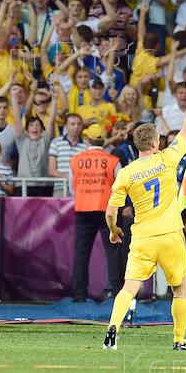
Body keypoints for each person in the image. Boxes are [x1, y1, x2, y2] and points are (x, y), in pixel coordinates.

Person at [102, 81, 186, 352]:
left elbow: (111, 211)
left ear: (136, 145)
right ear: (156, 143)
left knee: (129, 287)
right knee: (180, 289)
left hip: (143, 237)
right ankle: (179, 340)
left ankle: (112, 329)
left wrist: (113, 230)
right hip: (170, 234)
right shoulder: (168, 158)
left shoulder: (126, 172)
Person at [69, 126, 122, 302]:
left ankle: (79, 295)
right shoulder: (113, 160)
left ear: (87, 140)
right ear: (103, 140)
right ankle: (117, 292)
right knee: (113, 252)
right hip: (108, 210)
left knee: (81, 252)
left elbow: (72, 186)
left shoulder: (76, 160)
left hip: (83, 209)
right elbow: (120, 186)